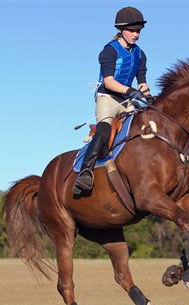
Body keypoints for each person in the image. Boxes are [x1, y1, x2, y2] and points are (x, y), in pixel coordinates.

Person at [73, 6, 151, 195]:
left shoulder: (140, 54)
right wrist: (131, 91)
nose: (136, 35)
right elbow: (108, 82)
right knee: (104, 131)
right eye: (132, 30)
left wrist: (148, 97)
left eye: (138, 31)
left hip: (127, 101)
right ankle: (85, 172)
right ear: (121, 29)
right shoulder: (109, 51)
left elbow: (142, 84)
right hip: (108, 98)